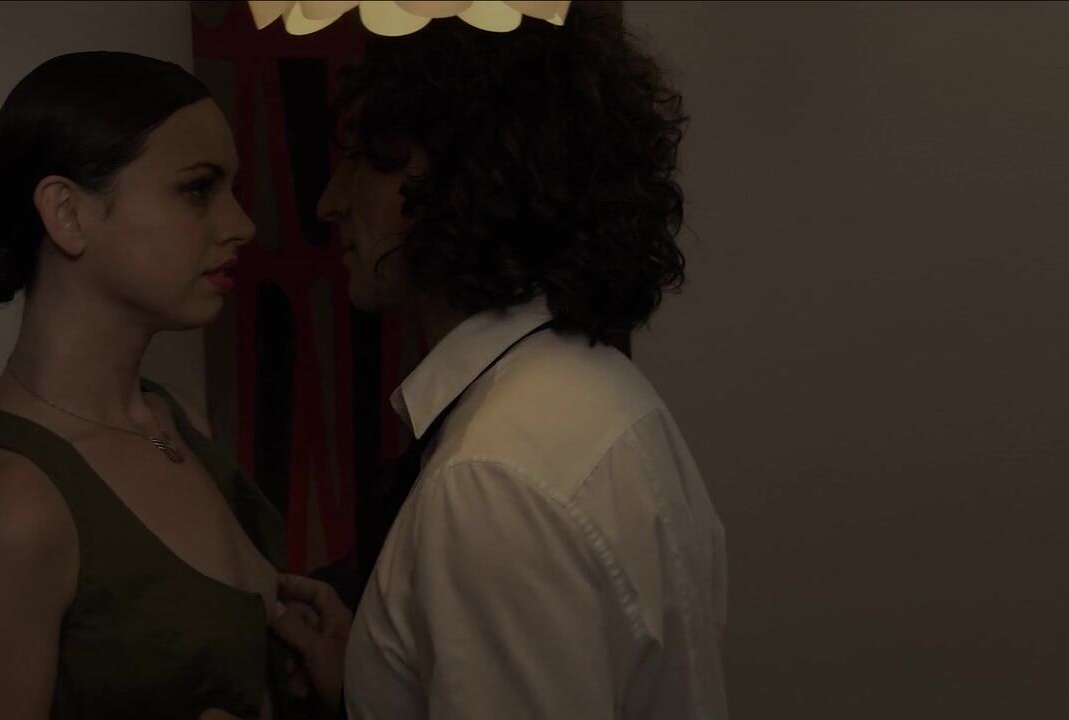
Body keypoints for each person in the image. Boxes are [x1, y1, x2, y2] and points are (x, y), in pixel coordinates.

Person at [271, 7, 728, 719]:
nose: (331, 201)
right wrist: (371, 679)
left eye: (365, 156)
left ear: (463, 178)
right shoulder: (601, 388)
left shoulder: (489, 480)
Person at [0, 51, 296, 720]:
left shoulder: (176, 421)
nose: (241, 224)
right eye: (197, 189)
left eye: (232, 189)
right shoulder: (7, 508)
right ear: (68, 213)